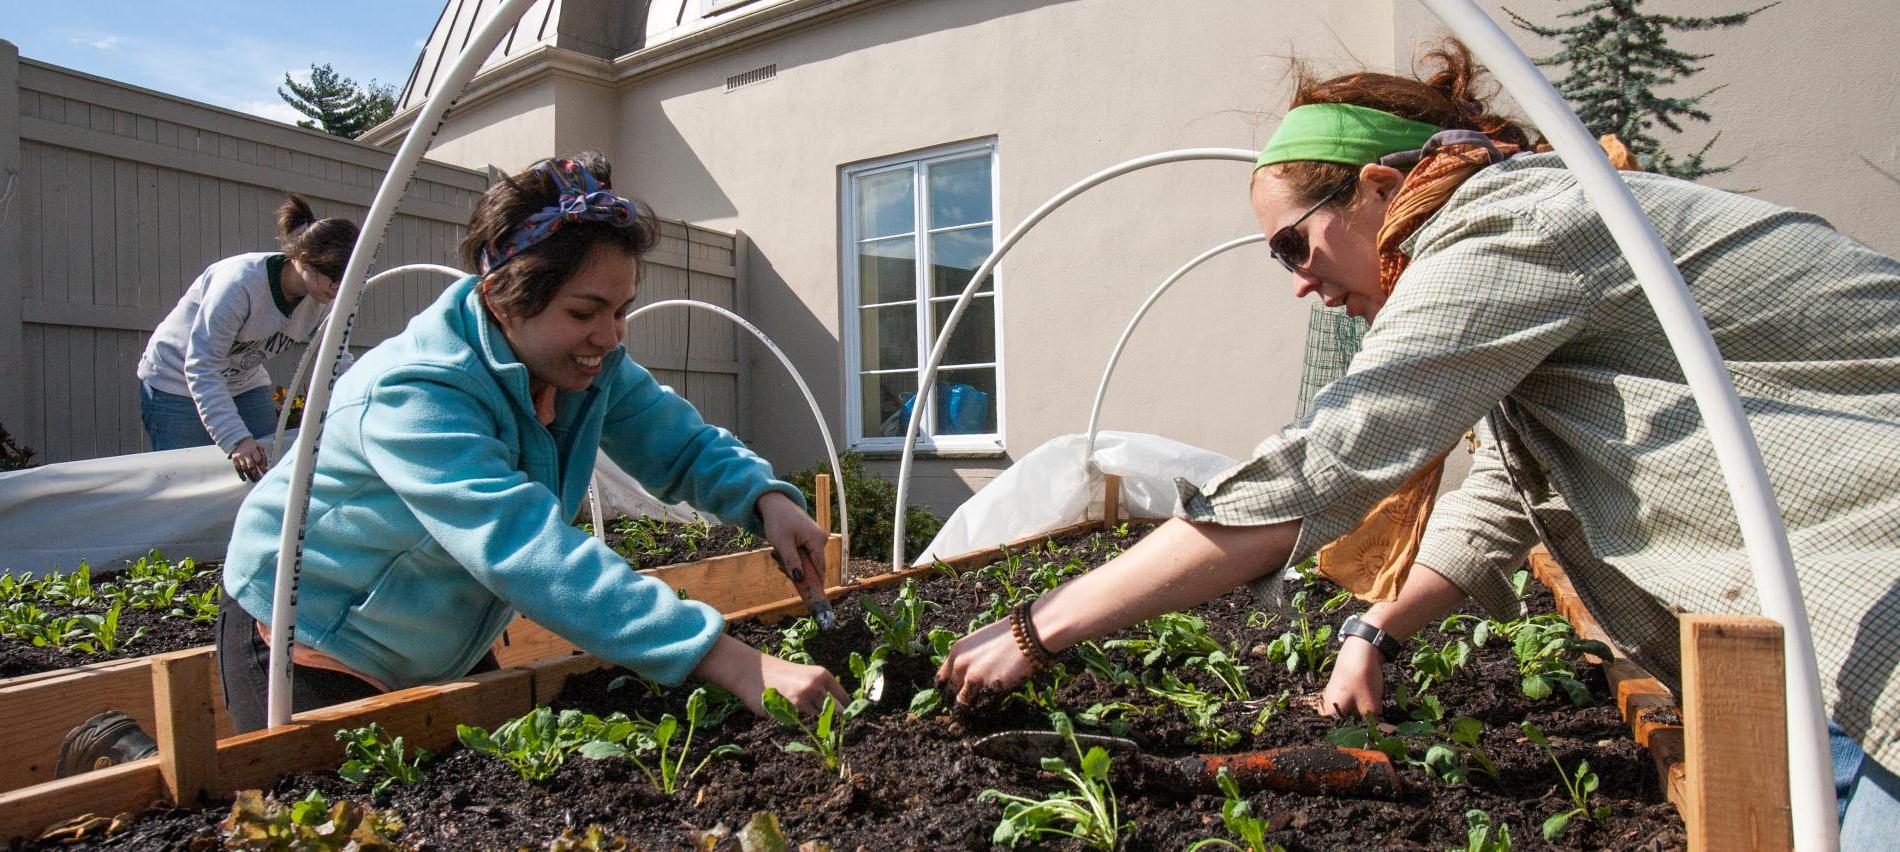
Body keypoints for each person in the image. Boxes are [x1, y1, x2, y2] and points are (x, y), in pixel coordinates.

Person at [935, 42, 1898, 841]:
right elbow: (1510, 492)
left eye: (1293, 245)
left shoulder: (1510, 225)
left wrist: (1038, 628)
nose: (1299, 284)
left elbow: (1328, 461)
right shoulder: (1529, 243)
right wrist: (1374, 630)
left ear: (1381, 186)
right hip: (1837, 639)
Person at [215, 153, 846, 733]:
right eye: (584, 312)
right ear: (504, 299)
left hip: (438, 632)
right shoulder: (417, 392)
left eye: (621, 309)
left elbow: (677, 442)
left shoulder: (584, 368)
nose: (608, 335)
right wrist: (736, 664)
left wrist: (765, 500)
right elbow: (524, 549)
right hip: (311, 633)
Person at [136, 196, 359, 481]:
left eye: (350, 278)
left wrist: (361, 405)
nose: (339, 286)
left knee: (269, 469)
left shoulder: (327, 298)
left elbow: (336, 360)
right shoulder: (240, 284)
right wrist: (236, 440)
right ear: (304, 259)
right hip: (175, 381)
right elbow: (202, 367)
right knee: (183, 481)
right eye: (333, 274)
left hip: (243, 381)